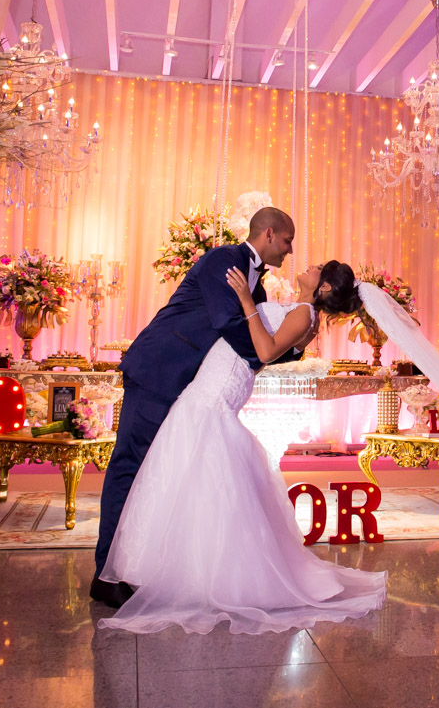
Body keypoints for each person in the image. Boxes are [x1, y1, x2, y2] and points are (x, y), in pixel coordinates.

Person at [96, 261, 387, 634]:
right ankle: (183, 567)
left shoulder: (304, 314)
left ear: (325, 287)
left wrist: (247, 302)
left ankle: (199, 575)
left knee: (194, 465)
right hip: (214, 383)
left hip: (217, 390)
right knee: (192, 475)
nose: (308, 265)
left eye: (318, 269)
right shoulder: (301, 311)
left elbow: (265, 352)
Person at [91, 207, 310, 609]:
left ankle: (145, 567)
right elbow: (231, 324)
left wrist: (293, 341)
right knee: (130, 465)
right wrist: (270, 347)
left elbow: (258, 343)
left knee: (160, 473)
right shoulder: (224, 261)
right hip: (160, 370)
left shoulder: (256, 290)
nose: (290, 249)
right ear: (268, 233)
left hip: (190, 384)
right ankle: (105, 574)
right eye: (287, 240)